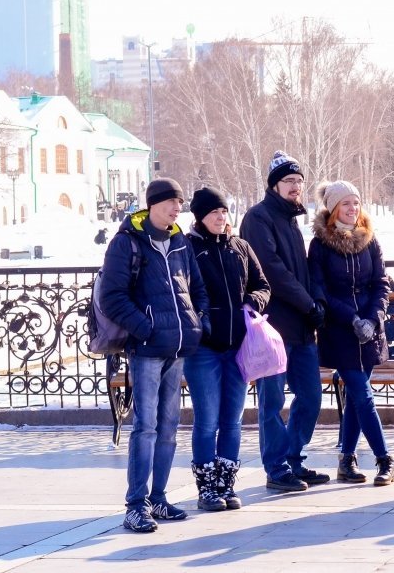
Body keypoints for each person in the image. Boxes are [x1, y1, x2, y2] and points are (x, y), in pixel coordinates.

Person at [98, 177, 209, 533]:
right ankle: (136, 505)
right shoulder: (126, 243)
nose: (178, 208)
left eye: (180, 203)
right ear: (153, 205)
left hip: (178, 347)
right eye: (172, 203)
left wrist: (197, 321)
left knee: (170, 427)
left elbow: (198, 288)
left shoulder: (180, 242)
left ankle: (159, 498)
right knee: (145, 427)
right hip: (147, 349)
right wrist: (146, 329)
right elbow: (112, 297)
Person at [239, 150, 330, 492]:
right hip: (273, 327)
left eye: (299, 182)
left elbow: (302, 270)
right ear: (274, 185)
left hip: (302, 326)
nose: (295, 187)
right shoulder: (258, 218)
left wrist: (316, 301)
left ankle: (293, 457)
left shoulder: (292, 221)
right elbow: (271, 270)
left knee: (311, 397)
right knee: (273, 402)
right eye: (289, 181)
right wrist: (309, 304)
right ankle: (276, 467)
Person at [185, 187, 271, 511]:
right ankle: (206, 489)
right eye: (213, 213)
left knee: (233, 420)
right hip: (204, 349)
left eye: (223, 212)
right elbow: (182, 293)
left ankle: (226, 484)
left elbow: (262, 285)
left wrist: (252, 303)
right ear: (200, 218)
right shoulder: (190, 250)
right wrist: (201, 318)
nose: (221, 218)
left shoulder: (240, 247)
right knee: (207, 419)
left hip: (239, 348)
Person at [307, 180, 394, 486]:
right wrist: (352, 318)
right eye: (345, 203)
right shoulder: (320, 244)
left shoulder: (370, 240)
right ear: (333, 209)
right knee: (362, 393)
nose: (352, 208)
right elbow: (319, 288)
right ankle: (385, 459)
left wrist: (372, 319)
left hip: (370, 332)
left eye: (356, 203)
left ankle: (346, 460)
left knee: (360, 396)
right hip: (341, 330)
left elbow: (381, 284)